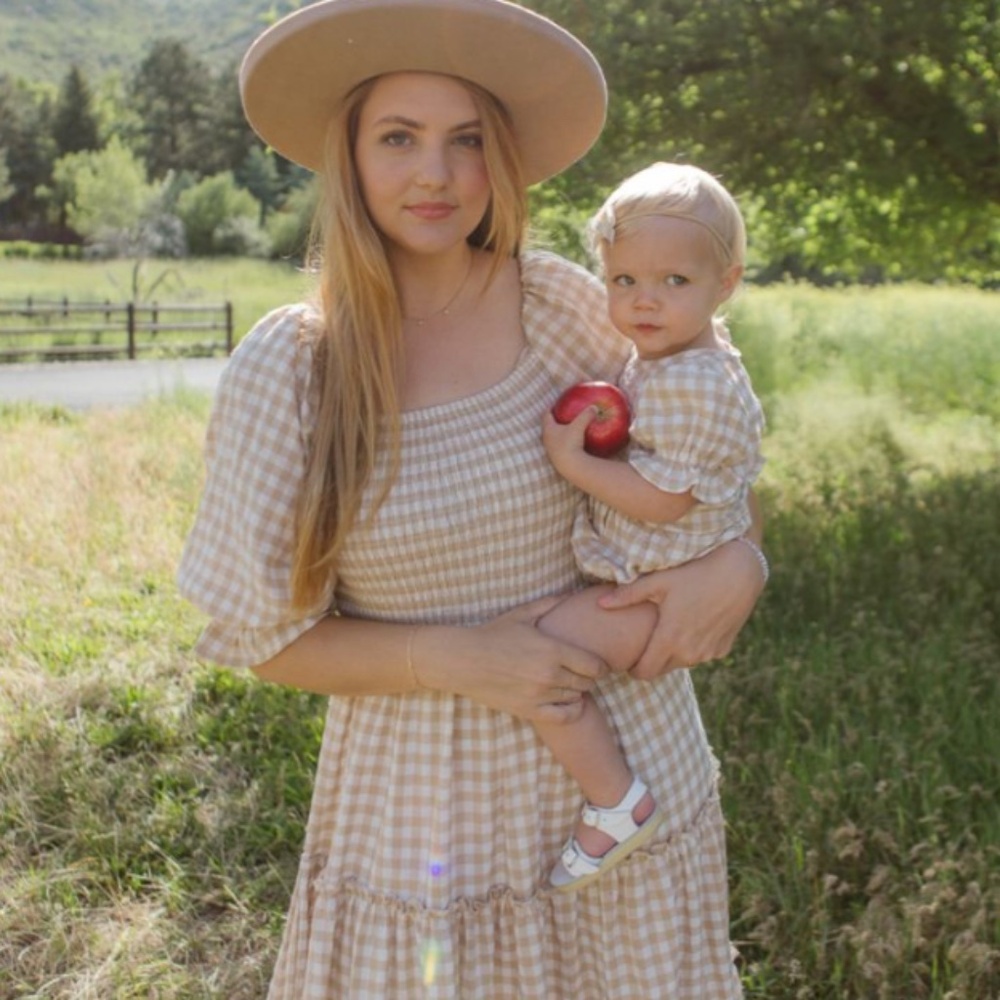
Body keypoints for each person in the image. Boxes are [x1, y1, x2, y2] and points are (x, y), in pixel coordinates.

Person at [177, 1, 766, 996]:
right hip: (430, 814)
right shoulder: (294, 366)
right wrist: (465, 656)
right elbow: (260, 635)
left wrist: (743, 559)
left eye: (465, 140)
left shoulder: (563, 305)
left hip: (634, 768)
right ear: (349, 156)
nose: (434, 173)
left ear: (498, 160)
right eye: (397, 137)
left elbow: (709, 458)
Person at [532, 162, 766, 892]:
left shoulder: (694, 383)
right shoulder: (676, 356)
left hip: (656, 592)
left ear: (724, 282)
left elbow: (663, 500)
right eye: (624, 281)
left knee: (536, 664)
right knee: (527, 627)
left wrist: (576, 467)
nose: (644, 302)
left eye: (674, 283)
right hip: (650, 576)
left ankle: (616, 802)